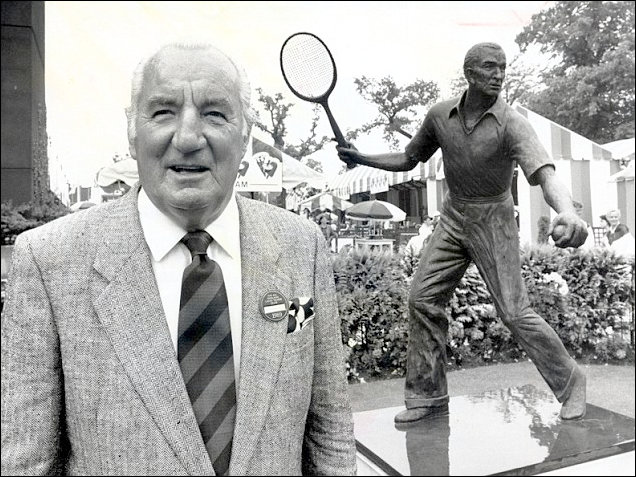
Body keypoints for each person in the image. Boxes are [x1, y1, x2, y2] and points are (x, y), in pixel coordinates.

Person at [1, 43, 356, 476]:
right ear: (132, 131)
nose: (188, 138)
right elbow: (24, 463)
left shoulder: (303, 246)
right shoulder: (49, 261)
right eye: (163, 112)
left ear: (246, 134)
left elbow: (331, 437)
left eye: (214, 114)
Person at [337, 42, 588, 424]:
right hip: (454, 219)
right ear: (469, 74)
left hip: (495, 222)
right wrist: (361, 157)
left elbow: (545, 174)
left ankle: (571, 382)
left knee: (515, 313)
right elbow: (408, 158)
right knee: (422, 298)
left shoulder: (512, 123)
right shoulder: (440, 116)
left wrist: (567, 211)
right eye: (490, 68)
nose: (499, 75)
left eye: (503, 68)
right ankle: (427, 397)